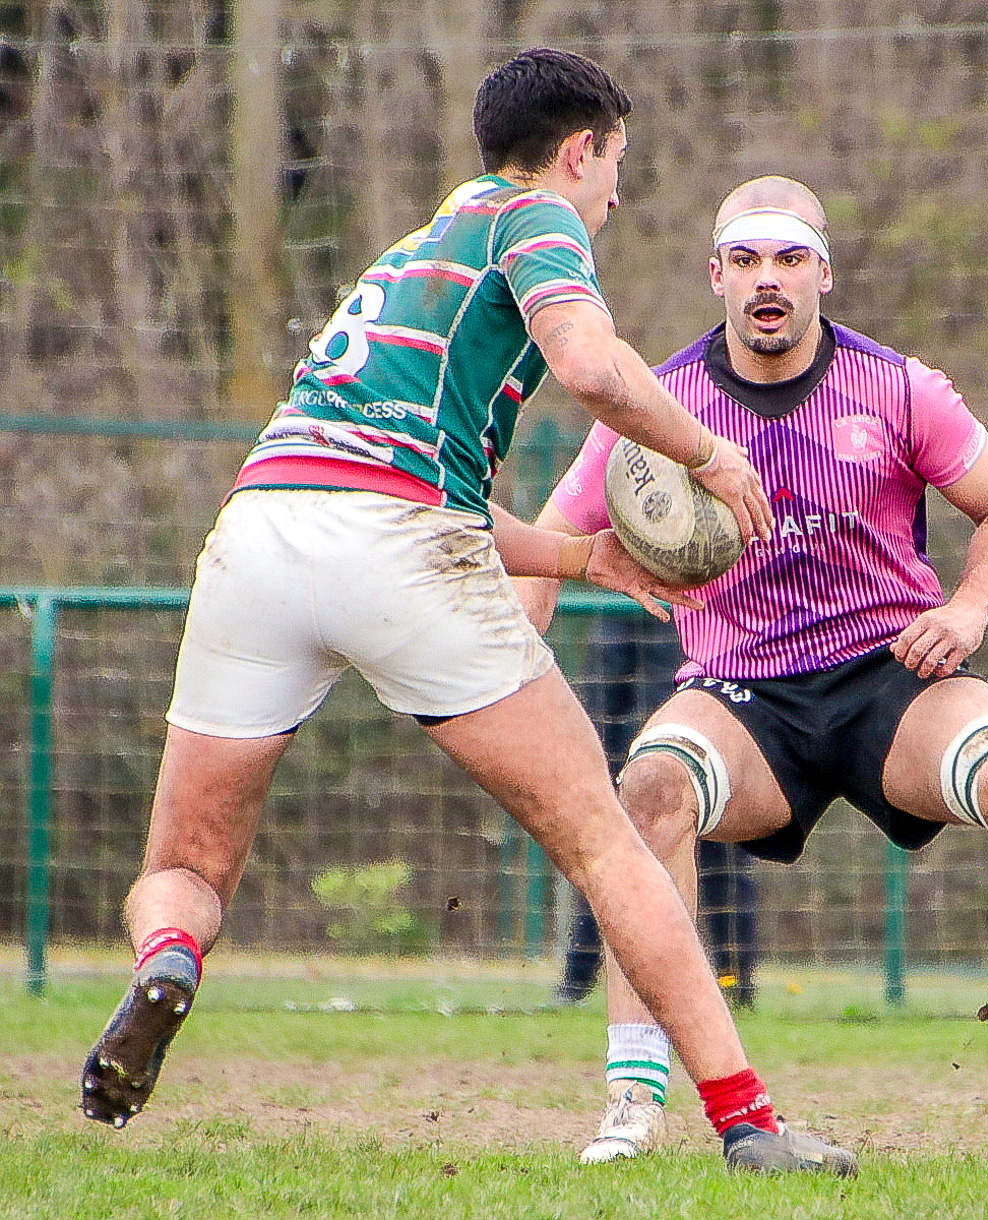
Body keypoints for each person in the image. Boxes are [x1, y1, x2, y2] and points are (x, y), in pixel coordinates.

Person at [79, 49, 854, 1177]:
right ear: (578, 150)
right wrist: (708, 449)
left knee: (188, 863)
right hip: (395, 546)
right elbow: (591, 369)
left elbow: (404, 471)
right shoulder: (537, 220)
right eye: (617, 165)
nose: (616, 195)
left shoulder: (415, 249)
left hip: (259, 530)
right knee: (608, 839)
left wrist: (582, 553)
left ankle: (169, 958)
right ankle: (749, 1123)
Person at [519, 174, 988, 1165]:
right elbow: (546, 537)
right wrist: (526, 676)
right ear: (715, 277)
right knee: (648, 787)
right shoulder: (656, 406)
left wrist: (965, 607)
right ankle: (632, 1101)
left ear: (823, 270)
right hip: (741, 695)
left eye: (787, 258)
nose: (766, 281)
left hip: (891, 677)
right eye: (744, 261)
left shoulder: (897, 385)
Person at [558, 611, 760, 1008]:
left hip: (698, 756)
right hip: (658, 768)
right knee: (614, 863)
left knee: (716, 869)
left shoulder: (721, 606)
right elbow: (603, 705)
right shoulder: (626, 610)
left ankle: (734, 983)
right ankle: (576, 982)